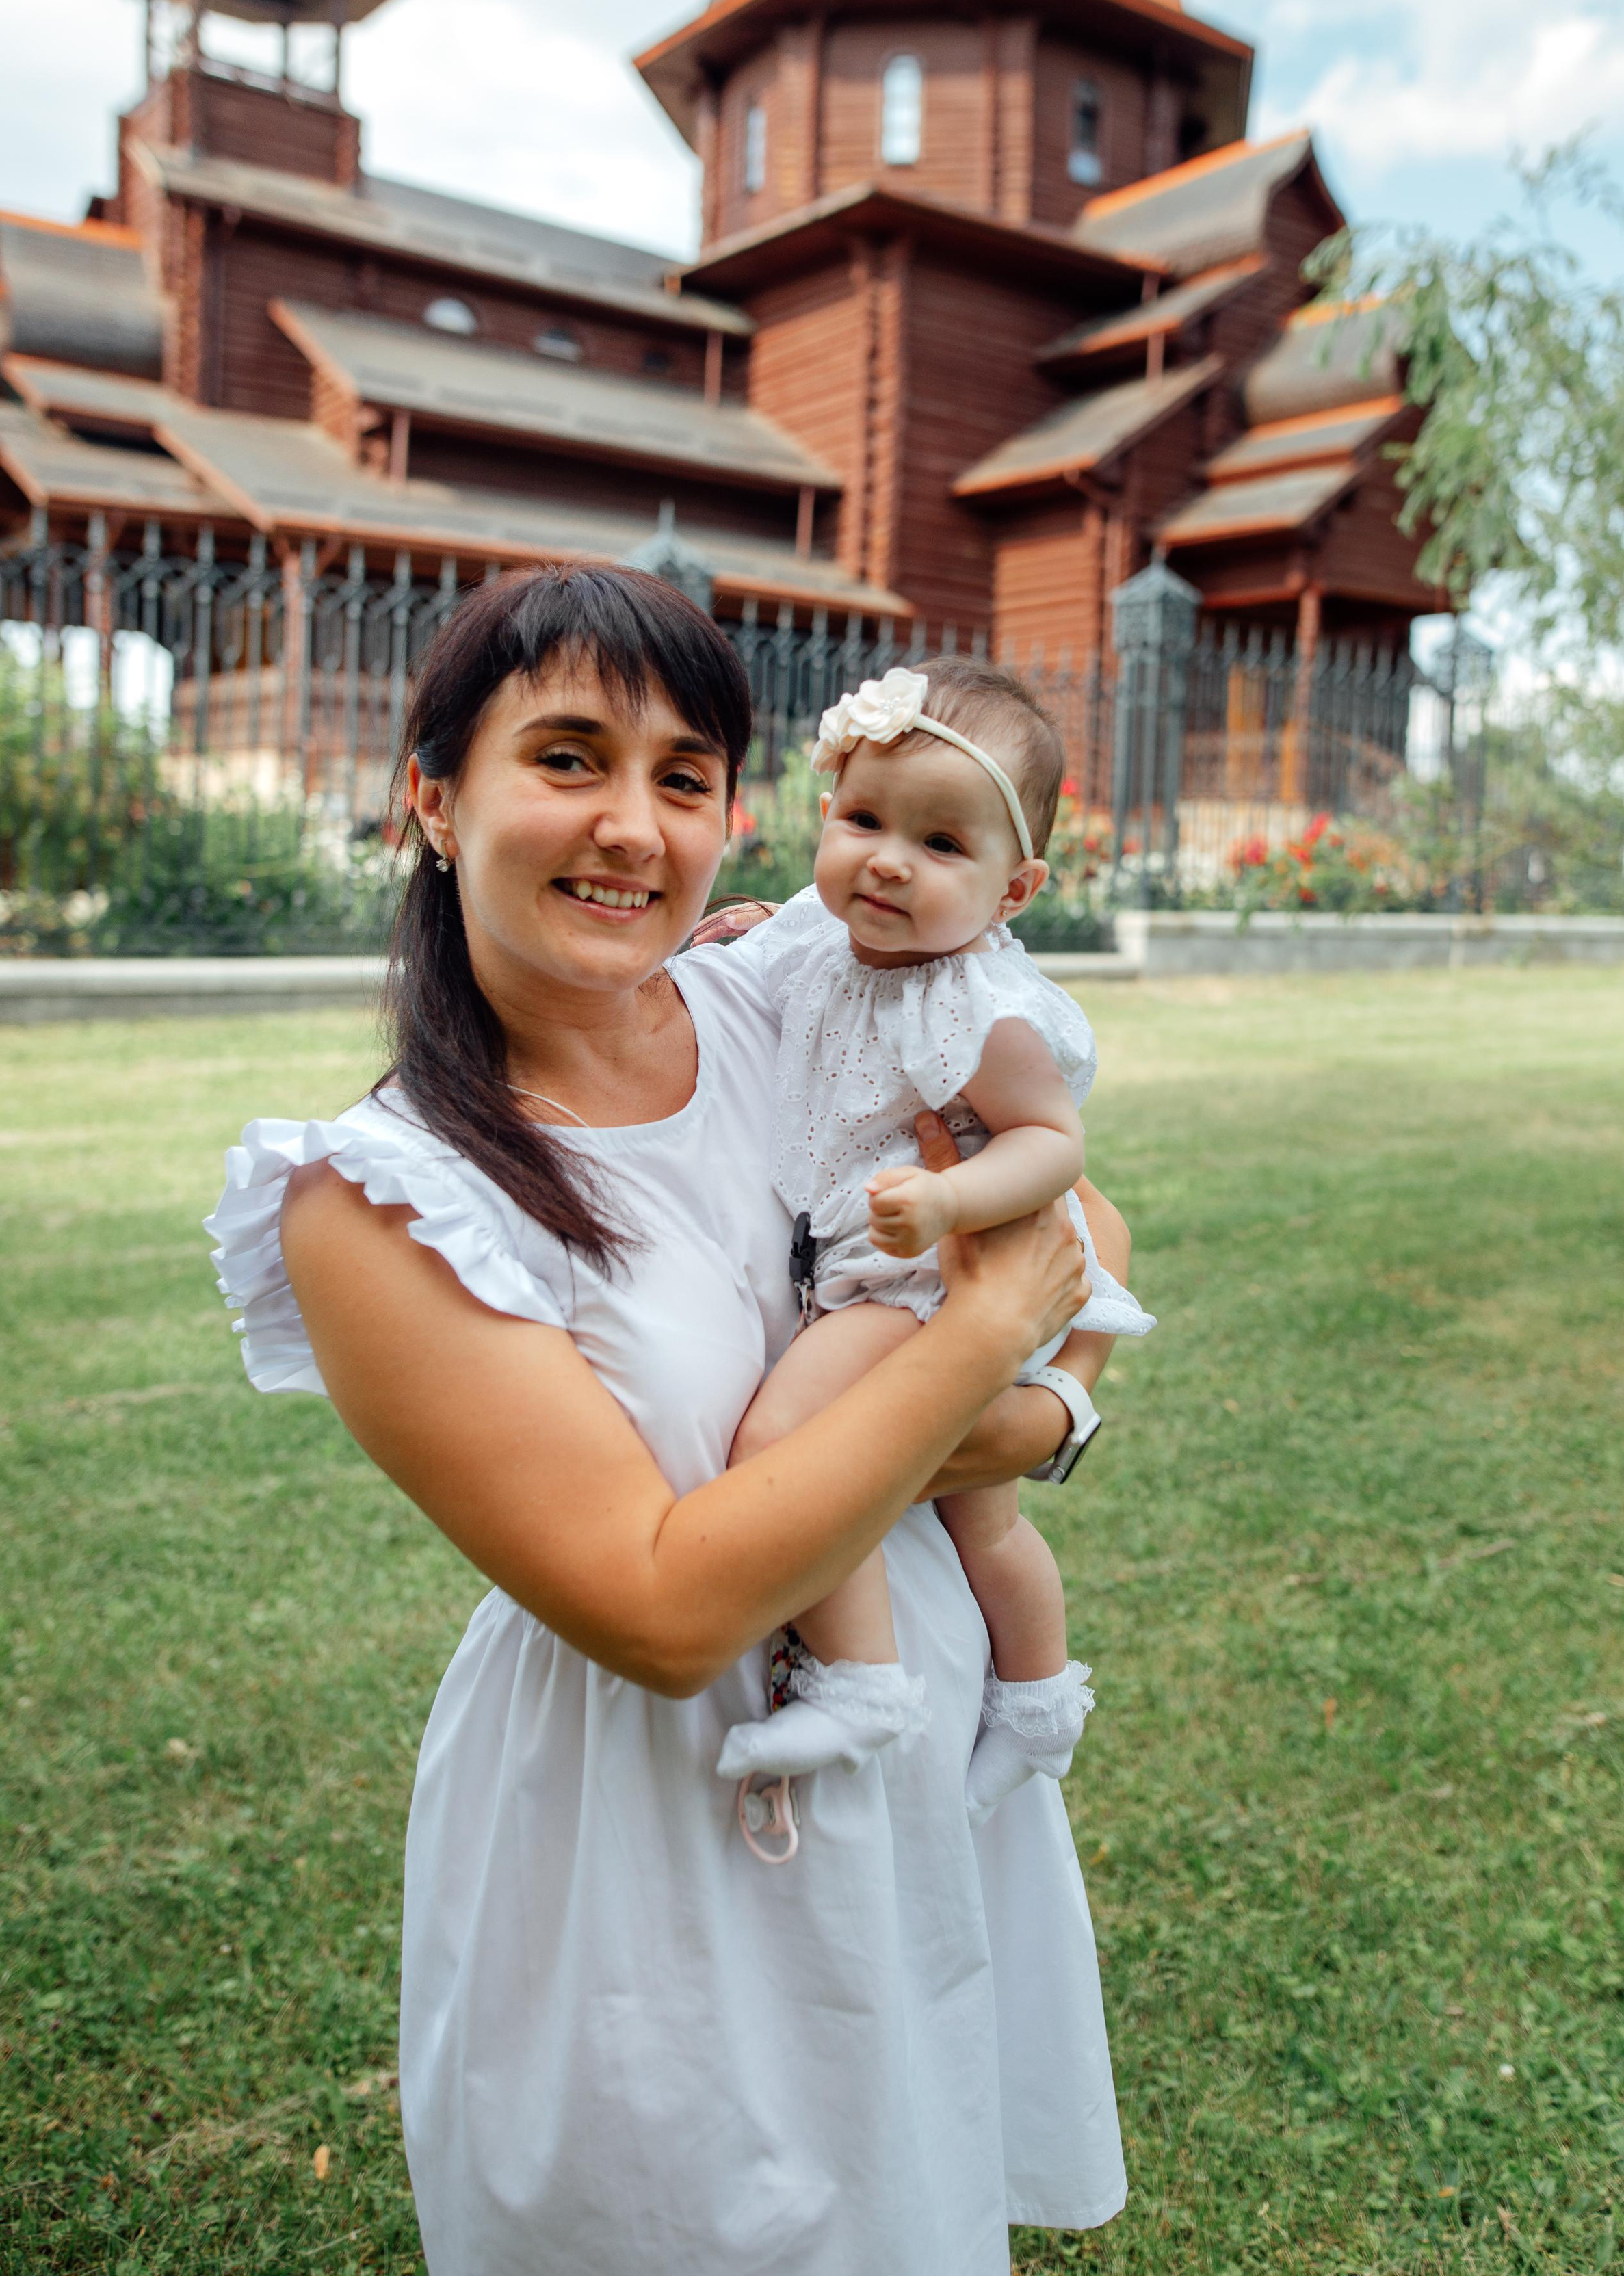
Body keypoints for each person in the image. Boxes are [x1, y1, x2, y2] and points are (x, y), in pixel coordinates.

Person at [205, 565, 1131, 2275]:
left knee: (896, 2193)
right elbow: (662, 1603)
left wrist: (1044, 1408)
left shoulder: (778, 999)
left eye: (683, 778)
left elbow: (1085, 1230)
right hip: (638, 1812)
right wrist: (990, 1341)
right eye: (566, 758)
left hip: (898, 1739)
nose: (630, 827)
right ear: (433, 794)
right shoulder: (382, 1198)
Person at [714, 659, 1153, 1843]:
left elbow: (1055, 1147)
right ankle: (1041, 1701)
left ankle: (859, 1683)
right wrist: (736, 936)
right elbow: (750, 975)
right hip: (885, 1263)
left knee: (784, 1436)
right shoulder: (821, 937)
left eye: (941, 845)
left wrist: (955, 1205)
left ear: (1015, 890)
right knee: (986, 1522)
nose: (889, 861)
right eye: (863, 821)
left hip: (916, 1274)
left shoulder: (976, 1009)